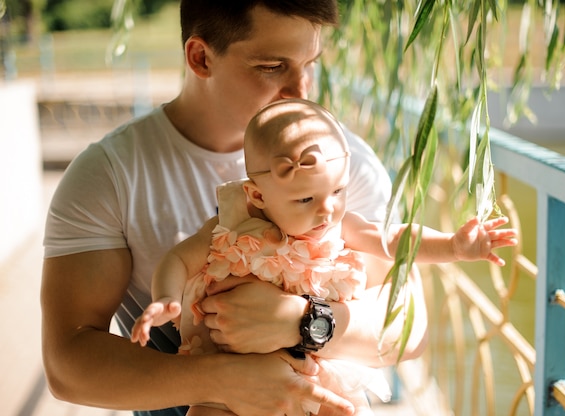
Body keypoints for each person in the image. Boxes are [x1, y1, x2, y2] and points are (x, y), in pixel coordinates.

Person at [41, 2, 427, 416]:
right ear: (201, 57)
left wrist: (300, 320)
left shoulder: (340, 165)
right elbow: (68, 362)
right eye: (272, 66)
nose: (302, 90)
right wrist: (223, 380)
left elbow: (407, 327)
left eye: (309, 63)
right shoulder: (110, 175)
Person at [130, 98, 519, 416]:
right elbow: (179, 260)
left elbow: (394, 239)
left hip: (315, 370)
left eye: (338, 191)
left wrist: (453, 246)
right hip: (231, 372)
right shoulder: (230, 229)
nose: (328, 210)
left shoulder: (339, 226)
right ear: (257, 196)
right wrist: (165, 297)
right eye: (306, 199)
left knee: (341, 408)